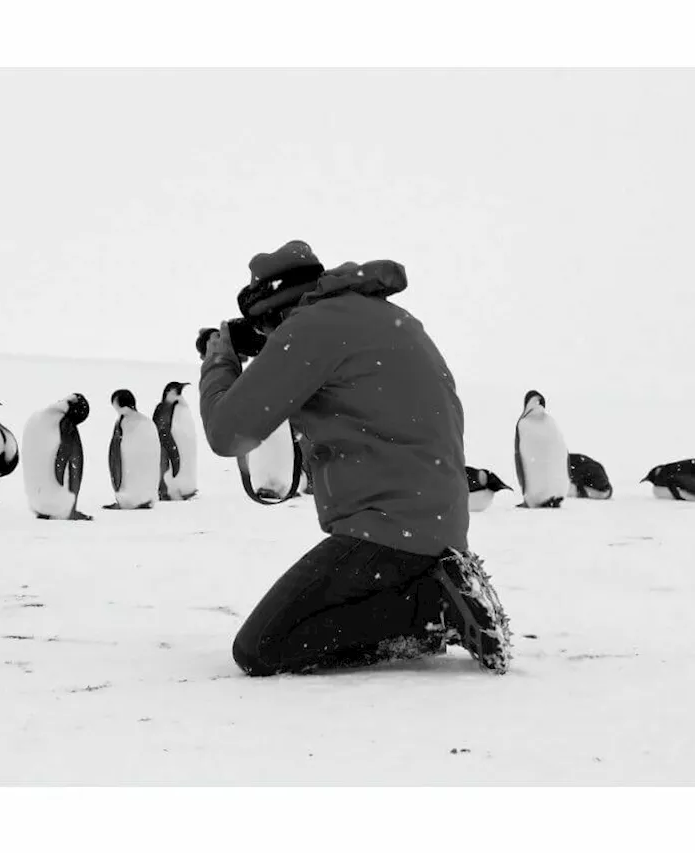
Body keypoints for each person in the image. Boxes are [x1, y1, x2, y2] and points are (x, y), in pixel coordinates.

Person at [198, 240, 511, 675]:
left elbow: (226, 433)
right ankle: (433, 597)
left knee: (262, 647)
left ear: (274, 312)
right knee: (311, 624)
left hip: (386, 529)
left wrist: (218, 361)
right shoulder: (384, 317)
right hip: (434, 522)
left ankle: (433, 610)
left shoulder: (311, 328)